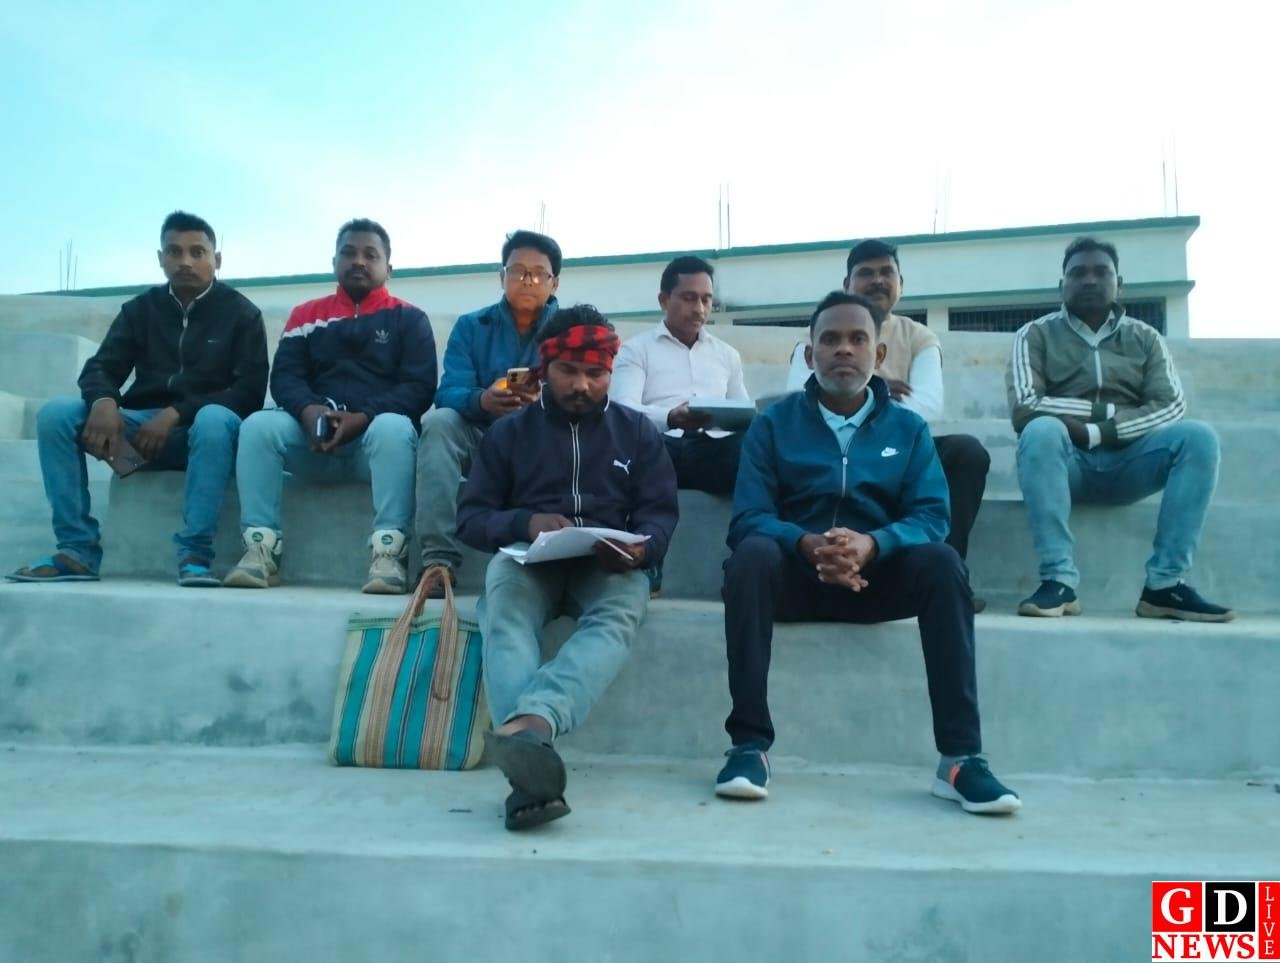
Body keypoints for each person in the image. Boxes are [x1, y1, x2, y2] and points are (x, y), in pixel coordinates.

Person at [717, 291, 1020, 815]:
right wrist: (805, 543)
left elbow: (932, 516)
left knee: (944, 563)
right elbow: (748, 516)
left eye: (857, 339)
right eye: (830, 339)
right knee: (750, 557)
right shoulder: (773, 424)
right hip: (796, 579)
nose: (844, 349)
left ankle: (960, 760)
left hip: (876, 581)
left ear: (878, 355)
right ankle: (748, 747)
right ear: (810, 354)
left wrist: (873, 544)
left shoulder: (908, 428)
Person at [456, 304, 678, 831]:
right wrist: (525, 522)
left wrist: (642, 550)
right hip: (528, 560)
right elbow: (470, 519)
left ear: (610, 371)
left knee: (620, 612)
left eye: (595, 373)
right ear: (545, 367)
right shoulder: (509, 434)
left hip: (607, 566)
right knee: (504, 611)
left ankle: (532, 726)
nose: (582, 384)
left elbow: (660, 513)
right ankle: (531, 758)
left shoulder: (636, 432)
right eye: (568, 371)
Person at [8, 211, 267, 587]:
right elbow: (101, 368)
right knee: (56, 415)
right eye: (174, 252)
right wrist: (104, 402)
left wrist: (176, 412)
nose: (185, 261)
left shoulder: (241, 313)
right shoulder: (140, 310)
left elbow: (249, 392)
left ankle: (195, 554)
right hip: (140, 437)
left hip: (208, 440)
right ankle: (78, 550)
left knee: (214, 419)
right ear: (161, 258)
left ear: (217, 259)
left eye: (197, 252)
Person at [1006, 237, 1232, 621]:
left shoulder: (1145, 338)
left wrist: (1099, 432)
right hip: (1067, 464)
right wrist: (1108, 411)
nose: (1089, 280)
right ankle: (1058, 581)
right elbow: (1026, 404)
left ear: (1119, 283)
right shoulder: (1034, 334)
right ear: (1062, 285)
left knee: (1199, 438)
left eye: (1101, 272)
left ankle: (1165, 585)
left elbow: (1170, 405)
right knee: (1041, 430)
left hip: (1132, 462)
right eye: (1078, 273)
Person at [223, 218, 436, 594]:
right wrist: (309, 412)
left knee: (395, 426)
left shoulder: (409, 318)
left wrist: (363, 417)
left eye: (371, 255)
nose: (359, 261)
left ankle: (389, 553)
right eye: (349, 253)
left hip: (374, 450)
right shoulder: (305, 316)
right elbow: (285, 377)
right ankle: (261, 549)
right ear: (334, 261)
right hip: (312, 443)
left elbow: (418, 388)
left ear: (388, 267)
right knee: (257, 426)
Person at [843, 239, 991, 611]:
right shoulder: (821, 330)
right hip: (838, 444)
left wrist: (860, 394)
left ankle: (948, 577)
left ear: (901, 284)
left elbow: (926, 406)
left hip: (901, 447)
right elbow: (805, 399)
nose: (877, 281)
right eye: (866, 273)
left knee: (966, 452)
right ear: (847, 285)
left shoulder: (920, 337)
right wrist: (878, 388)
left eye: (886, 272)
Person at [417, 229, 562, 596]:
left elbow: (587, 390)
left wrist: (542, 403)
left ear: (554, 283)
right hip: (481, 435)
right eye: (518, 271)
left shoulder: (568, 331)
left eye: (538, 273)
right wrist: (483, 400)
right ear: (502, 276)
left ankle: (551, 556)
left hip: (542, 441)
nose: (527, 280)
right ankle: (438, 561)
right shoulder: (471, 326)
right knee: (439, 423)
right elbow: (448, 391)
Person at [611, 255, 750, 595]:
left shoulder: (727, 355)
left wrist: (726, 419)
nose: (699, 309)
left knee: (758, 444)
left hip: (711, 451)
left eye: (706, 299)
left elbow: (743, 411)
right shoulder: (636, 350)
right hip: (660, 447)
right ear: (664, 300)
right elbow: (621, 410)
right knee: (634, 444)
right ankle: (647, 557)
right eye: (689, 298)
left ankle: (747, 559)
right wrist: (670, 417)